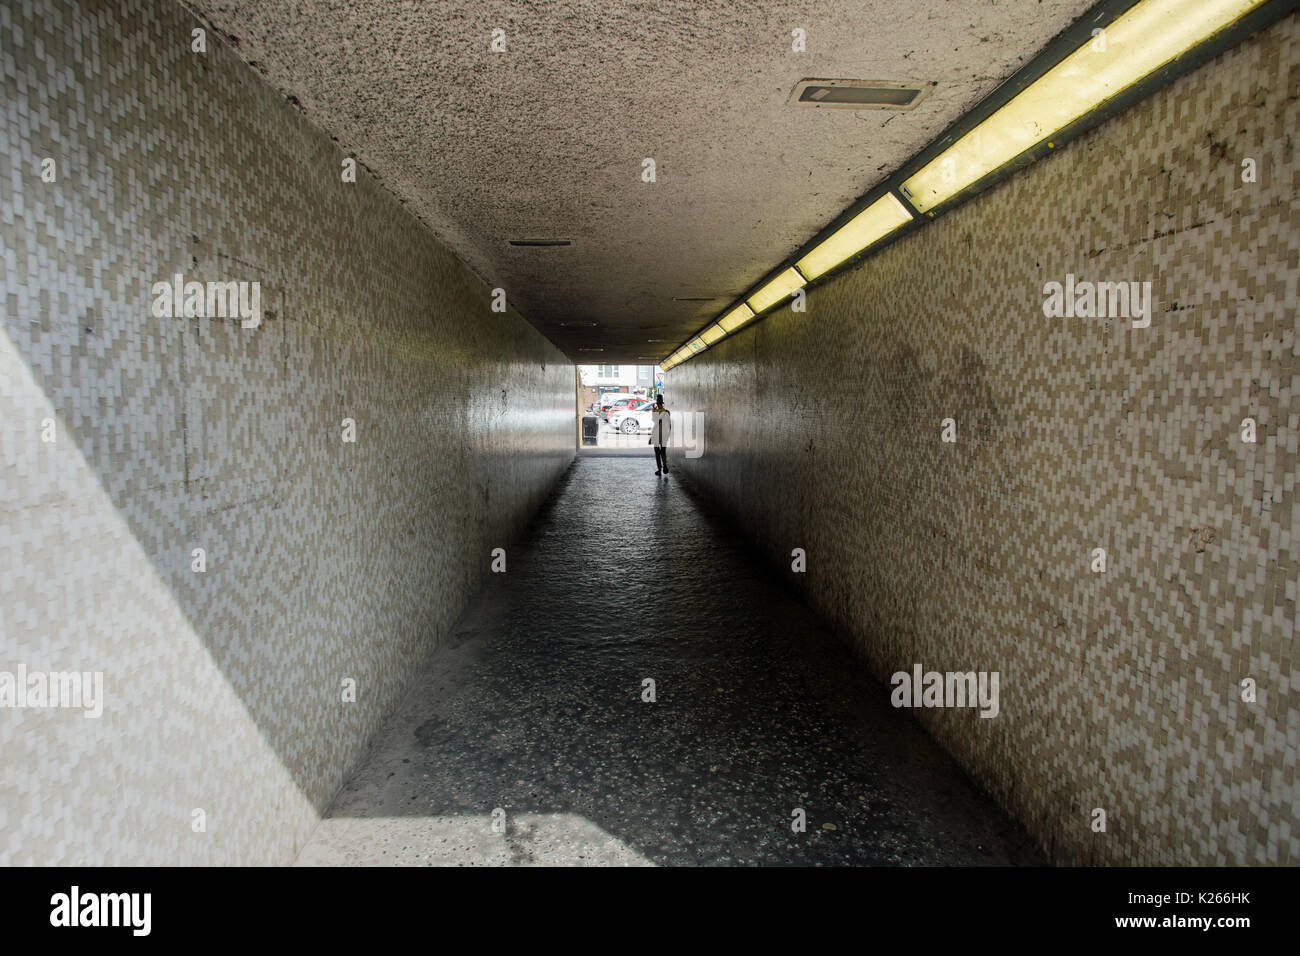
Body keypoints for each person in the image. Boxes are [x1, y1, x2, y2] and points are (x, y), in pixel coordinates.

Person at [649, 394, 670, 477]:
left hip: (657, 434)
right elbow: (669, 424)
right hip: (664, 434)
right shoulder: (667, 412)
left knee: (657, 453)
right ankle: (664, 465)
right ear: (662, 403)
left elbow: (654, 423)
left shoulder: (655, 412)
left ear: (657, 403)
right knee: (663, 452)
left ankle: (659, 469)